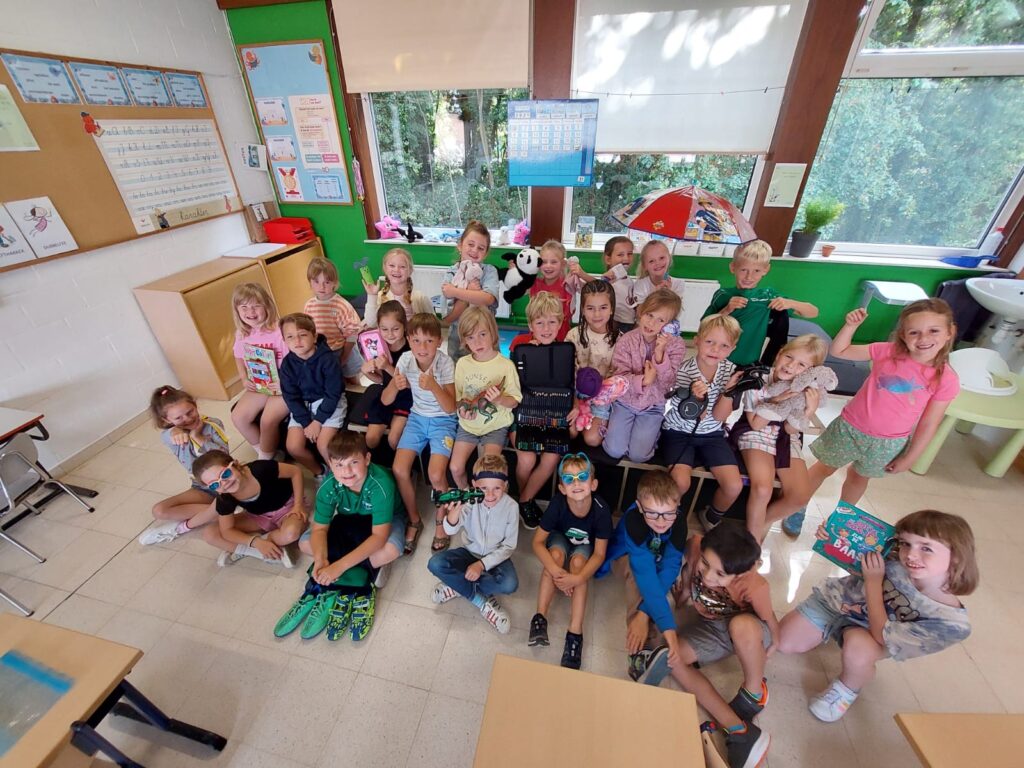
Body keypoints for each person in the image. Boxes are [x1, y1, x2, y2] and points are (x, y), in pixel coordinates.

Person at [778, 509, 976, 722]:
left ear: (957, 556)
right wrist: (832, 535)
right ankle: (831, 633)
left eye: (926, 548)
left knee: (858, 650)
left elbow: (882, 636)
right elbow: (853, 554)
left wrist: (873, 581)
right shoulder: (894, 553)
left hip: (871, 633)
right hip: (837, 602)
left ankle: (847, 688)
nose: (910, 554)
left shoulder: (951, 624)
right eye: (906, 543)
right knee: (783, 642)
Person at [785, 300, 960, 536]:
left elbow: (930, 423)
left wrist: (910, 458)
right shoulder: (888, 351)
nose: (923, 338)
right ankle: (797, 505)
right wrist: (850, 326)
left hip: (888, 443)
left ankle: (840, 520)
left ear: (950, 332)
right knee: (822, 468)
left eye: (934, 330)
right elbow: (839, 351)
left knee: (858, 478)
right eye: (914, 332)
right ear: (903, 335)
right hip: (850, 428)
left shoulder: (946, 378)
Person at [644, 524, 778, 768]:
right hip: (713, 627)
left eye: (720, 574)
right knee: (671, 657)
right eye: (705, 564)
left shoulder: (754, 585)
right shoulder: (696, 545)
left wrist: (771, 645)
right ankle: (738, 730)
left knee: (741, 626)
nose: (707, 576)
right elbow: (689, 571)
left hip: (748, 629)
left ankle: (755, 692)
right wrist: (683, 593)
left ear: (739, 574)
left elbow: (770, 621)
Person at [276, 432, 397, 641]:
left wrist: (338, 567)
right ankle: (323, 588)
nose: (346, 471)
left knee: (389, 551)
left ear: (367, 459)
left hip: (382, 522)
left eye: (353, 462)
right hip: (348, 521)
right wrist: (320, 560)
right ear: (330, 465)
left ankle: (357, 586)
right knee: (306, 544)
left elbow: (379, 536)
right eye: (339, 465)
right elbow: (319, 529)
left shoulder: (380, 484)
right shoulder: (329, 485)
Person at [731, 335, 827, 540]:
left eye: (801, 365)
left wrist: (808, 412)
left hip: (785, 437)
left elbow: (791, 430)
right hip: (755, 432)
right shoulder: (758, 378)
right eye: (789, 357)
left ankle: (757, 526)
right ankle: (753, 541)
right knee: (763, 489)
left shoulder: (805, 389)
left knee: (800, 496)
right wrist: (776, 400)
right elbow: (756, 424)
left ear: (810, 372)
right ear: (779, 354)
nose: (791, 366)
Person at [596, 469, 686, 681]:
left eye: (668, 513)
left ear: (678, 506)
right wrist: (668, 628)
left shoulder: (679, 522)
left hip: (655, 559)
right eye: (652, 513)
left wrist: (644, 614)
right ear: (639, 507)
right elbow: (644, 573)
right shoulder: (633, 521)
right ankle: (641, 653)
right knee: (639, 579)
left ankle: (649, 643)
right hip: (625, 558)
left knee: (661, 577)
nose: (661, 521)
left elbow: (671, 567)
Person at [528, 453, 612, 670]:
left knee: (578, 566)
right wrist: (555, 570)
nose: (576, 483)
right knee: (554, 557)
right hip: (560, 538)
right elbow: (537, 542)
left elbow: (599, 554)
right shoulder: (557, 504)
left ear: (593, 484)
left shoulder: (602, 511)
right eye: (569, 479)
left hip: (585, 545)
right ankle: (539, 618)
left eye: (582, 477)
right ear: (562, 488)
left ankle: (575, 632)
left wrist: (577, 579)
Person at [661, 315, 744, 531]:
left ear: (733, 348)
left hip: (712, 434)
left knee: (734, 485)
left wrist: (729, 390)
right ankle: (669, 518)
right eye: (710, 342)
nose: (715, 349)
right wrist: (696, 399)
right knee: (680, 482)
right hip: (678, 432)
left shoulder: (731, 372)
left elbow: (719, 417)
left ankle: (710, 516)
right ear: (697, 340)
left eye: (724, 345)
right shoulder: (682, 370)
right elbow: (689, 414)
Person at [383, 312, 457, 553]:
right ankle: (414, 519)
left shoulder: (445, 363)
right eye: (416, 340)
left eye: (429, 341)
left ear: (439, 341)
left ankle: (441, 522)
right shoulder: (405, 360)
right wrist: (394, 385)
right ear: (408, 340)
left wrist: (433, 385)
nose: (422, 348)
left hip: (443, 421)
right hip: (416, 419)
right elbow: (386, 400)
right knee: (399, 469)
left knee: (436, 474)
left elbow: (450, 407)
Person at [428, 454, 519, 634]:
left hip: (496, 557)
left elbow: (508, 547)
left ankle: (458, 586)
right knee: (435, 563)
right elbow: (450, 530)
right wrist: (455, 512)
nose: (490, 495)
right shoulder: (469, 501)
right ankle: (480, 600)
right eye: (483, 488)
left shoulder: (511, 507)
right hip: (469, 552)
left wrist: (481, 565)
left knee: (510, 584)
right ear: (474, 485)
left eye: (497, 488)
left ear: (505, 485)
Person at [510, 292, 574, 529]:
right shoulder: (520, 346)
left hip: (554, 413)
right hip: (523, 413)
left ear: (560, 323)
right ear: (530, 325)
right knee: (526, 458)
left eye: (552, 322)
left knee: (552, 456)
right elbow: (512, 384)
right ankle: (527, 501)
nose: (546, 328)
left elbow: (572, 386)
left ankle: (524, 501)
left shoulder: (566, 350)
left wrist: (576, 407)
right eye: (540, 322)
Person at [702, 240, 818, 367]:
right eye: (744, 270)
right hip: (718, 359)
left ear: (766, 270)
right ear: (733, 267)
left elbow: (813, 312)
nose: (749, 276)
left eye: (756, 271)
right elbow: (704, 326)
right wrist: (726, 310)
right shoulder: (723, 294)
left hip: (750, 364)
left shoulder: (768, 295)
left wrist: (790, 303)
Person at [605, 289, 687, 463]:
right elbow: (620, 376)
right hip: (625, 402)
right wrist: (643, 380)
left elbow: (669, 382)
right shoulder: (626, 340)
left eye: (661, 320)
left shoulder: (676, 345)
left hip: (653, 406)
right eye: (649, 315)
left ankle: (652, 436)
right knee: (614, 450)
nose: (652, 323)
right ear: (641, 312)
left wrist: (660, 355)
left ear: (670, 324)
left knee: (639, 456)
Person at [137, 386, 226, 545]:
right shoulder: (171, 435)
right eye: (179, 418)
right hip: (202, 487)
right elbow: (166, 435)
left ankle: (215, 514)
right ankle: (219, 512)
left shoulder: (213, 424)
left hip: (225, 481)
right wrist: (174, 430)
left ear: (195, 406)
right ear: (167, 420)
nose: (188, 419)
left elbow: (223, 457)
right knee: (159, 510)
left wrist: (197, 437)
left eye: (190, 412)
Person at [192, 450, 307, 568]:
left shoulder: (260, 469)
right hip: (258, 516)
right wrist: (255, 542)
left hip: (288, 507)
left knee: (291, 534)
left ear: (235, 464)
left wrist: (298, 504)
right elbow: (227, 530)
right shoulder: (225, 498)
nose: (224, 483)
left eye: (225, 474)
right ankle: (261, 550)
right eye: (215, 485)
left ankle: (260, 545)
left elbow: (295, 472)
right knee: (210, 533)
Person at [450, 307, 521, 489]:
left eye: (482, 334)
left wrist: (499, 399)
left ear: (493, 332)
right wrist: (463, 411)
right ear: (464, 340)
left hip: (495, 427)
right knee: (455, 468)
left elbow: (514, 400)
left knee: (489, 471)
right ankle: (467, 494)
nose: (477, 342)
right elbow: (459, 399)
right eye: (470, 337)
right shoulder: (462, 364)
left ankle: (489, 499)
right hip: (468, 426)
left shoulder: (506, 365)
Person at [278, 313, 345, 480]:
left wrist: (318, 421)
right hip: (303, 406)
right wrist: (306, 422)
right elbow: (291, 397)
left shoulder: (328, 359)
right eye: (290, 337)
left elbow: (333, 393)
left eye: (302, 335)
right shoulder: (287, 364)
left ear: (314, 337)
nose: (297, 341)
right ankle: (321, 473)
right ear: (284, 340)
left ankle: (341, 478)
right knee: (293, 447)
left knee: (324, 445)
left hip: (328, 402)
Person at [229, 282, 290, 459]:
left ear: (267, 306)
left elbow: (296, 362)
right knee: (238, 417)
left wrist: (283, 383)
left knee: (267, 420)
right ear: (237, 310)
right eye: (244, 307)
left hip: (284, 384)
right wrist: (243, 378)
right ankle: (267, 454)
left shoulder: (280, 331)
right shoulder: (242, 333)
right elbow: (238, 356)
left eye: (256, 306)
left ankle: (265, 459)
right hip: (261, 383)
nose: (250, 312)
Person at [566, 280, 621, 446]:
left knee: (592, 439)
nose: (597, 314)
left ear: (612, 309)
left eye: (603, 307)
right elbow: (566, 372)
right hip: (575, 393)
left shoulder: (620, 340)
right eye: (590, 308)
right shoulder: (573, 335)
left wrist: (601, 396)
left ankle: (594, 422)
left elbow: (619, 379)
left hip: (602, 397)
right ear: (583, 309)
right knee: (570, 432)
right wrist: (574, 401)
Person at [441, 220, 500, 361]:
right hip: (458, 342)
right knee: (459, 371)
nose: (475, 250)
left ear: (486, 253)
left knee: (491, 371)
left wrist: (456, 292)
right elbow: (448, 319)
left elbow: (488, 299)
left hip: (487, 341)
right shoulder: (451, 274)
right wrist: (471, 293)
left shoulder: (489, 271)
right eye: (471, 244)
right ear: (460, 245)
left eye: (481, 248)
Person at [357, 300, 412, 450]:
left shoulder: (411, 348)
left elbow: (408, 382)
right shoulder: (378, 346)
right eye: (384, 329)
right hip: (386, 395)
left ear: (404, 326)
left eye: (395, 329)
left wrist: (387, 366)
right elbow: (381, 379)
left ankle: (401, 462)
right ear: (378, 328)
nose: (390, 334)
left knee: (394, 439)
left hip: (407, 397)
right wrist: (366, 371)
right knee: (371, 439)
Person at [302, 256, 363, 382]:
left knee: (352, 381)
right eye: (316, 281)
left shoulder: (341, 306)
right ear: (310, 282)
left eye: (327, 282)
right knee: (332, 382)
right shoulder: (309, 305)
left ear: (335, 283)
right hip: (322, 353)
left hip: (344, 349)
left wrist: (344, 357)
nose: (321, 287)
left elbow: (352, 335)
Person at [574, 235, 636, 330]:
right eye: (620, 255)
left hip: (629, 322)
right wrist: (582, 274)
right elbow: (597, 285)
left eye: (630, 254)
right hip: (615, 322)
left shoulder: (629, 280)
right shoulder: (611, 277)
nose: (626, 258)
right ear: (608, 259)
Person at [362, 247, 432, 323]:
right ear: (385, 268)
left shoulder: (420, 298)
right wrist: (372, 296)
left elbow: (433, 324)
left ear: (410, 271)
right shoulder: (380, 296)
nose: (396, 270)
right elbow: (371, 323)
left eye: (402, 267)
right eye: (392, 265)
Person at [529, 239, 577, 341]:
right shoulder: (535, 283)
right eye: (544, 262)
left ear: (563, 264)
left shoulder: (567, 284)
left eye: (553, 262)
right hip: (538, 336)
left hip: (561, 336)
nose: (548, 266)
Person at [628, 241, 685, 323]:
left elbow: (675, 314)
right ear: (645, 266)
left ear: (669, 258)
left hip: (666, 326)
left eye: (661, 258)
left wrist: (668, 294)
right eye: (651, 261)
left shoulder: (678, 284)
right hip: (646, 326)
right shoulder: (640, 285)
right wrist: (656, 294)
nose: (657, 263)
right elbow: (640, 313)